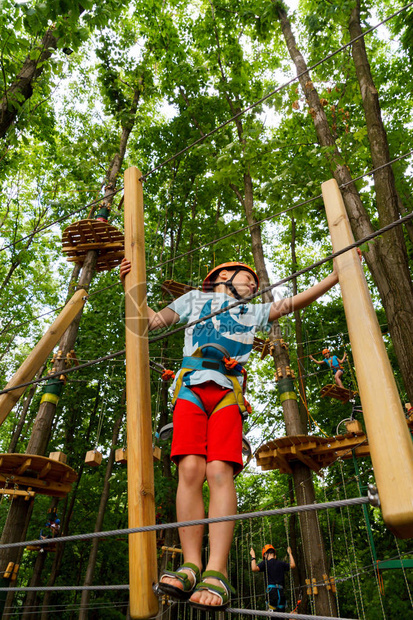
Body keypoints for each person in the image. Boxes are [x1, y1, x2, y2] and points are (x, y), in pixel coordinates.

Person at [120, 258, 339, 611]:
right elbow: (146, 321)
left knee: (219, 471)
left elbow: (295, 302)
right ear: (223, 276)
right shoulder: (193, 300)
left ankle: (216, 570)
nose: (255, 285)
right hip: (190, 386)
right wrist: (130, 284)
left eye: (256, 282)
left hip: (227, 391)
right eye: (249, 278)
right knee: (189, 470)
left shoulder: (252, 312)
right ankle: (191, 564)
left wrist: (335, 276)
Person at [250, 544, 295, 612]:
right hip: (281, 593)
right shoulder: (281, 563)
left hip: (272, 593)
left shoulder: (265, 563)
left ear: (265, 555)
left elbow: (253, 568)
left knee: (273, 615)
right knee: (281, 615)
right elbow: (293, 565)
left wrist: (253, 556)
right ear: (275, 555)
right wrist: (290, 553)